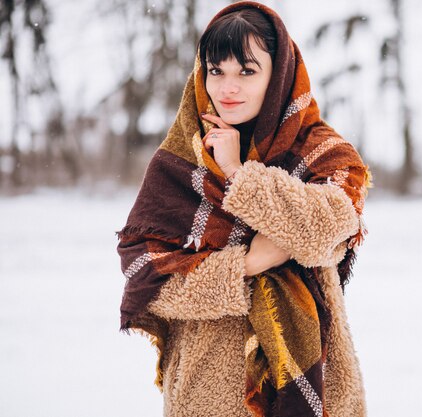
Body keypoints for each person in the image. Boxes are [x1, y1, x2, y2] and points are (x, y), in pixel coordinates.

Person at [116, 2, 372, 416]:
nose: (227, 88)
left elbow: (328, 229)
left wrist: (240, 173)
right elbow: (149, 284)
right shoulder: (179, 164)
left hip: (319, 389)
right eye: (216, 70)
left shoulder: (323, 153)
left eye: (246, 71)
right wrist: (244, 266)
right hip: (206, 397)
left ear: (279, 75)